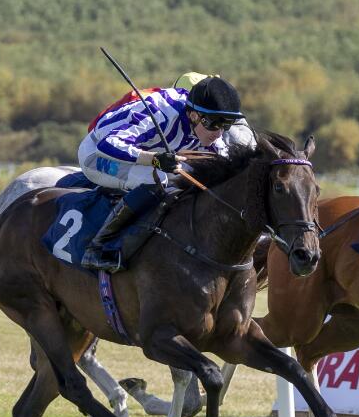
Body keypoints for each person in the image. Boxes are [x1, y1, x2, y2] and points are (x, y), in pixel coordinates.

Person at [78, 75, 245, 271]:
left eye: (226, 125)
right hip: (98, 155)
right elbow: (109, 143)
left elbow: (224, 163)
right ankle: (96, 248)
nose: (218, 133)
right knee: (157, 179)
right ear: (193, 115)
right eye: (214, 124)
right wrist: (155, 159)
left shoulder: (203, 122)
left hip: (149, 153)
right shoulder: (161, 113)